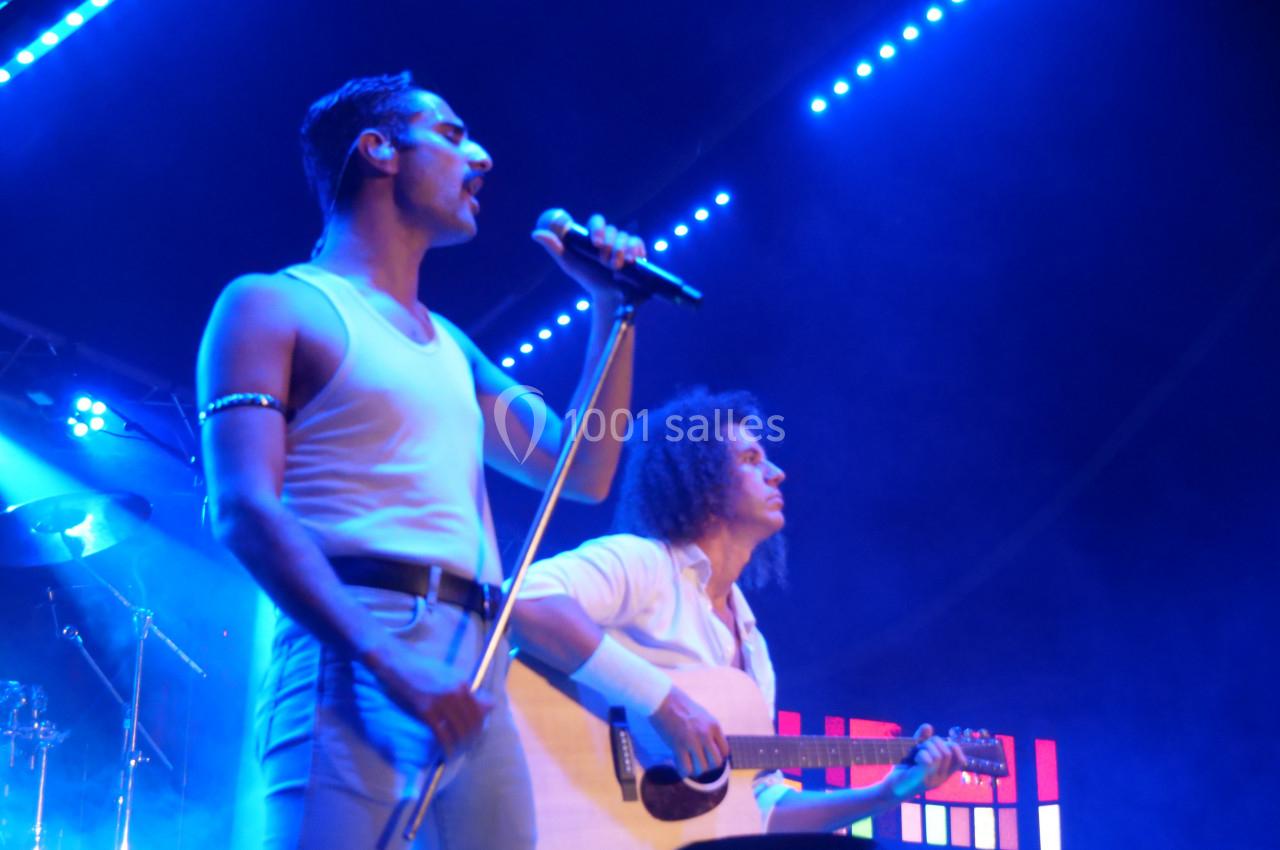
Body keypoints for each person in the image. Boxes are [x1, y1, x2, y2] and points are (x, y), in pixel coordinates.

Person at [197, 71, 644, 849]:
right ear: (378, 150)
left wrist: (615, 308)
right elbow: (241, 508)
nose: (481, 157)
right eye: (450, 134)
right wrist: (388, 660)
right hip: (354, 647)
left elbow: (584, 472)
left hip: (477, 667)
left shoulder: (454, 350)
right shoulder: (272, 304)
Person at [512, 388, 967, 836]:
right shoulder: (644, 563)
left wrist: (887, 793)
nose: (777, 473)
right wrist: (665, 704)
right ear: (704, 484)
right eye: (751, 460)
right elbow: (523, 600)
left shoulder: (752, 647)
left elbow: (760, 809)